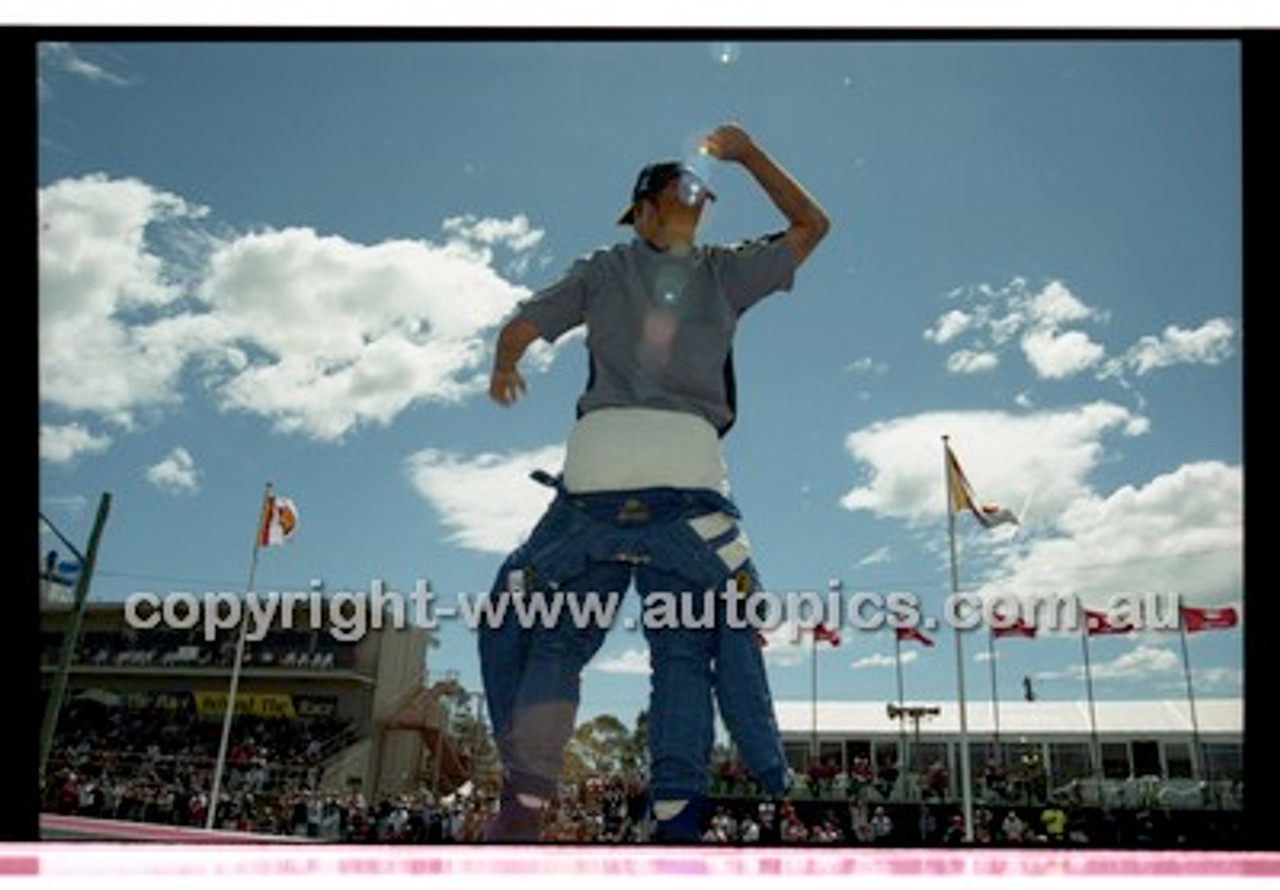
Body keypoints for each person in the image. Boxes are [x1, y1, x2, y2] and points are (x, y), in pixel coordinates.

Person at [478, 121, 830, 842]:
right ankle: (677, 811)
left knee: (552, 637)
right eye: (683, 195)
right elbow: (811, 225)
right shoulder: (724, 271)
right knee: (685, 644)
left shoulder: (604, 267)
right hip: (687, 476)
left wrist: (505, 365)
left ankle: (528, 794)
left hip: (595, 479)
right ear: (640, 210)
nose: (694, 202)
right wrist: (753, 155)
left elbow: (517, 326)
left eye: (699, 194)